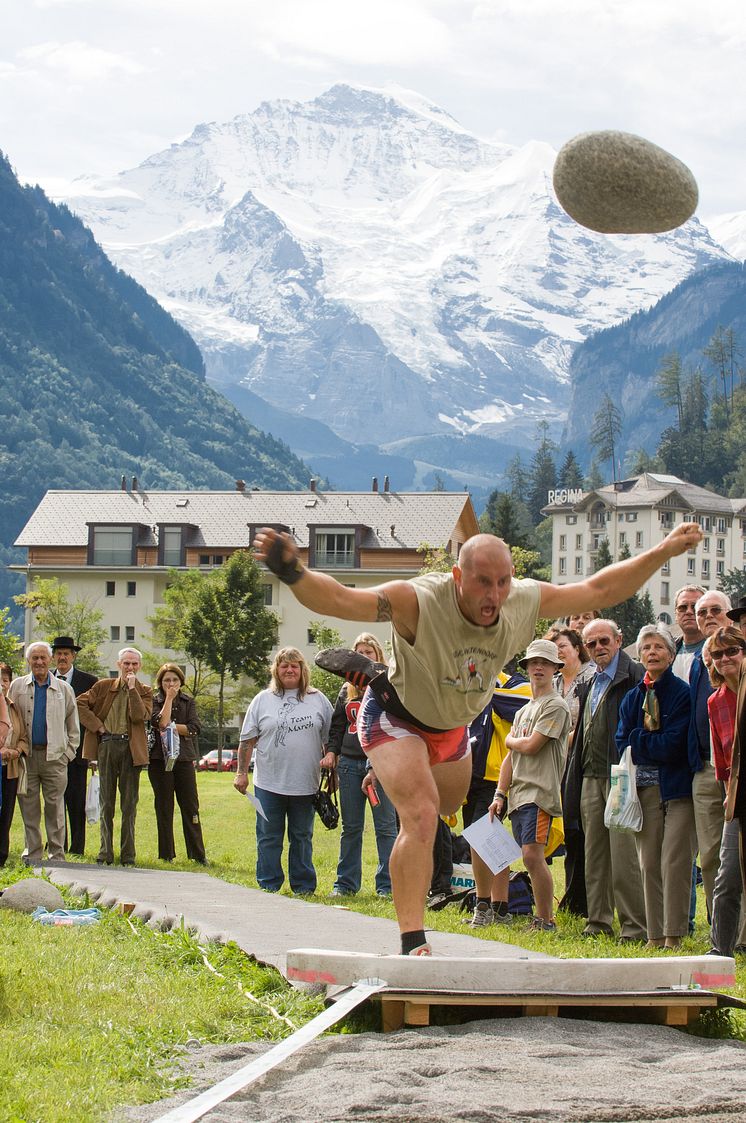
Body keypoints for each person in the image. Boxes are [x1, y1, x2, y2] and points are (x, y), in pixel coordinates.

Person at [253, 523, 703, 954]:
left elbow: (599, 590)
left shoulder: (521, 598)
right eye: (482, 583)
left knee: (449, 807)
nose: (494, 596)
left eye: (502, 582)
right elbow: (341, 600)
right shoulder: (421, 599)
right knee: (423, 816)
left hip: (451, 725)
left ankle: (392, 674)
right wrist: (293, 571)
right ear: (456, 577)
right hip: (395, 714)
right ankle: (414, 941)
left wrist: (662, 551)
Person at [563, 619, 647, 940]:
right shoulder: (590, 682)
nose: (598, 648)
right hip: (589, 776)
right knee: (594, 854)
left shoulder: (634, 675)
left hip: (620, 775)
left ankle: (634, 927)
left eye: (604, 641)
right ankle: (598, 922)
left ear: (618, 640)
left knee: (623, 855)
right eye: (592, 643)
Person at [616, 624, 697, 950]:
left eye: (658, 647)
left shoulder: (682, 693)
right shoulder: (634, 697)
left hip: (678, 789)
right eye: (646, 647)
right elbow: (622, 740)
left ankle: (674, 934)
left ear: (670, 653)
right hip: (644, 791)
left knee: (674, 861)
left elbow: (673, 745)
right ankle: (654, 935)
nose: (651, 652)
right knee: (648, 862)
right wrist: (642, 741)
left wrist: (640, 740)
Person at [234, 647, 335, 895]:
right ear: (276, 671)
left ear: (303, 670)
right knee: (268, 836)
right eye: (284, 666)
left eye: (295, 666)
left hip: (306, 784)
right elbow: (247, 740)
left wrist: (335, 776)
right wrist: (241, 772)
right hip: (268, 784)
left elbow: (331, 742)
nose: (289, 670)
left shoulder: (318, 699)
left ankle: (303, 887)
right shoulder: (262, 699)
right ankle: (268, 884)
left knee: (301, 837)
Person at [489, 639, 571, 932]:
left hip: (540, 792)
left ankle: (545, 920)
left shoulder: (556, 706)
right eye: (533, 662)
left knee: (532, 856)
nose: (539, 667)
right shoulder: (525, 710)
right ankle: (540, 917)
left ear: (555, 669)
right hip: (518, 794)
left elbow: (532, 745)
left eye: (546, 663)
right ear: (525, 667)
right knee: (526, 855)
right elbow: (511, 757)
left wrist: (511, 740)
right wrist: (500, 793)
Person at [327, 633, 397, 897]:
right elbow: (336, 726)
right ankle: (345, 885)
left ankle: (387, 886)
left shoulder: (389, 687)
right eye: (359, 653)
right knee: (351, 828)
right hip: (349, 764)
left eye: (368, 652)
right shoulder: (347, 689)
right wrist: (332, 753)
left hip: (381, 766)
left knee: (386, 828)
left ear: (378, 655)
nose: (364, 656)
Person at [463, 669, 531, 926]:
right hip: (468, 775)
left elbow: (526, 703)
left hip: (494, 777)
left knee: (484, 839)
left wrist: (480, 690)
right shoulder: (465, 687)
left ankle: (485, 906)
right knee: (485, 840)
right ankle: (499, 907)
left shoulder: (514, 686)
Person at [78, 648, 153, 866]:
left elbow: (140, 716)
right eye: (126, 663)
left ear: (139, 666)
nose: (130, 668)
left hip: (131, 749)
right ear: (119, 664)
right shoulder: (103, 686)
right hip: (108, 745)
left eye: (134, 664)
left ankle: (128, 855)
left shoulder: (145, 691)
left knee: (129, 804)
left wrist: (132, 690)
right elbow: (80, 703)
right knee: (106, 803)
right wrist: (97, 726)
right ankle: (105, 852)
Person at [8, 641, 77, 864]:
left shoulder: (64, 689)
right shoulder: (17, 686)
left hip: (55, 757)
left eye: (42, 658)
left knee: (55, 807)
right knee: (29, 808)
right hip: (26, 757)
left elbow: (73, 726)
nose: (39, 662)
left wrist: (68, 753)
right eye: (34, 658)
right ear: (28, 661)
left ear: (50, 660)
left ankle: (56, 854)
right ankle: (34, 853)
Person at [688, 590, 732, 919]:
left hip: (736, 770)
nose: (707, 617)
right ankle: (720, 928)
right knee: (710, 855)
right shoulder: (696, 663)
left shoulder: (737, 654)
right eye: (701, 612)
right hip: (704, 768)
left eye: (715, 610)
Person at [545, 625, 595, 917]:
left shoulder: (589, 678)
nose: (559, 652)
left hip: (580, 764)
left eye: (562, 646)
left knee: (579, 831)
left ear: (577, 648)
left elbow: (588, 721)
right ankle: (570, 896)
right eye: (554, 648)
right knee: (564, 832)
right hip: (554, 766)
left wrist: (561, 737)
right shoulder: (552, 683)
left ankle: (581, 899)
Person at [705, 628, 746, 957]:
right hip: (737, 796)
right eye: (717, 655)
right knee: (727, 875)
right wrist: (728, 796)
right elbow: (721, 759)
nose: (724, 659)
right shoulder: (716, 701)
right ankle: (721, 950)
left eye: (731, 651)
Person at [149, 663, 206, 864]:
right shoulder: (154, 700)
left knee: (191, 806)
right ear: (160, 682)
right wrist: (169, 700)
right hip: (160, 760)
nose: (171, 683)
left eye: (174, 680)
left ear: (181, 681)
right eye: (166, 680)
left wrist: (173, 727)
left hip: (183, 758)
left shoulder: (188, 701)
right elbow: (160, 722)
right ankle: (166, 854)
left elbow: (195, 727)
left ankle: (198, 854)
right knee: (164, 806)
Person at [52, 636, 97, 856]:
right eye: (58, 653)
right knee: (53, 800)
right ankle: (56, 843)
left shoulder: (88, 681)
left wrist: (92, 752)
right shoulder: (46, 678)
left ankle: (77, 847)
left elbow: (94, 715)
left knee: (76, 800)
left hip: (77, 752)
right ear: (54, 656)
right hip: (51, 752)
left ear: (73, 656)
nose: (62, 657)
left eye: (66, 653)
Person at [0, 663, 25, 866]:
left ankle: (2, 854)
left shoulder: (13, 707)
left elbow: (23, 736)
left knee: (7, 811)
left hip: (10, 767)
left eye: (5, 680)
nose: (2, 684)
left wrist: (16, 751)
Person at [671, 585, 706, 682]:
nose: (689, 612)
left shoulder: (720, 652)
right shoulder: (667, 652)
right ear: (676, 614)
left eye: (695, 607)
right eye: (683, 607)